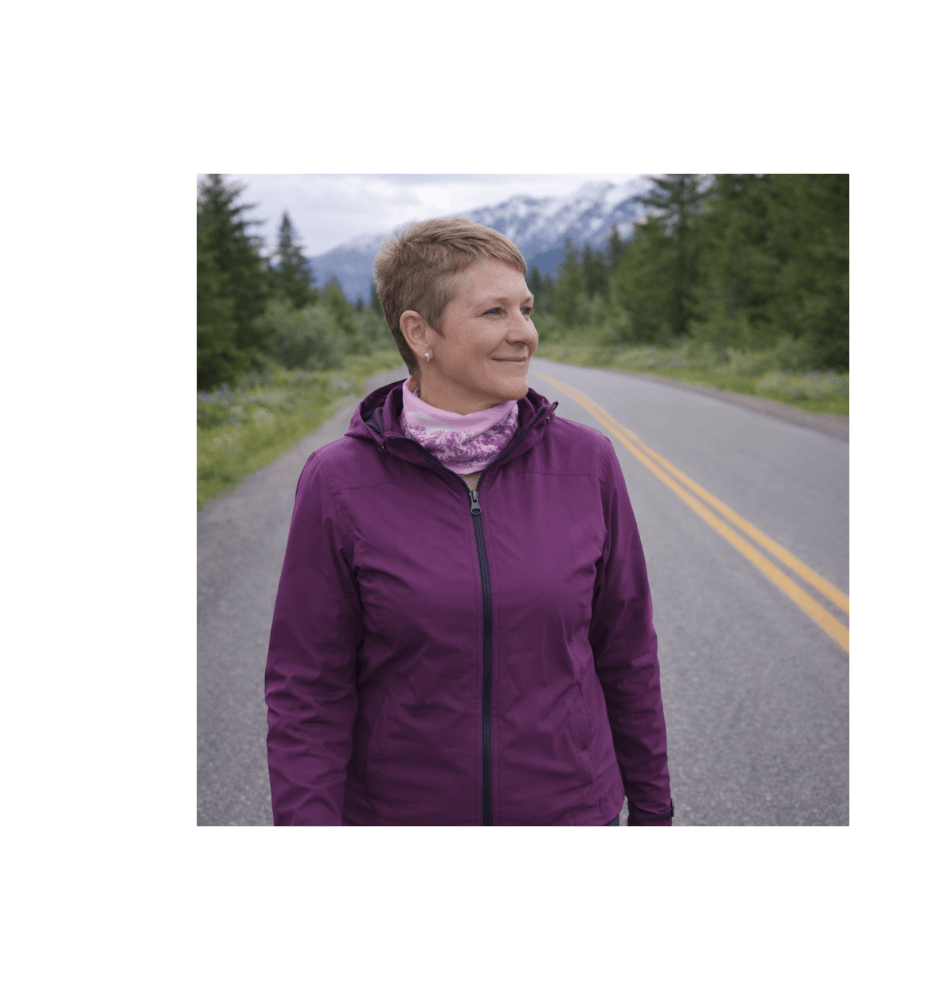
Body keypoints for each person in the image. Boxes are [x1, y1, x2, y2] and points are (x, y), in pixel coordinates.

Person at [265, 217, 672, 826]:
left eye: (526, 309)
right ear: (419, 331)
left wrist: (653, 807)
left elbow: (628, 651)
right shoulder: (338, 482)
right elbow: (307, 689)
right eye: (494, 313)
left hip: (570, 811)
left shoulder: (587, 462)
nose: (525, 334)